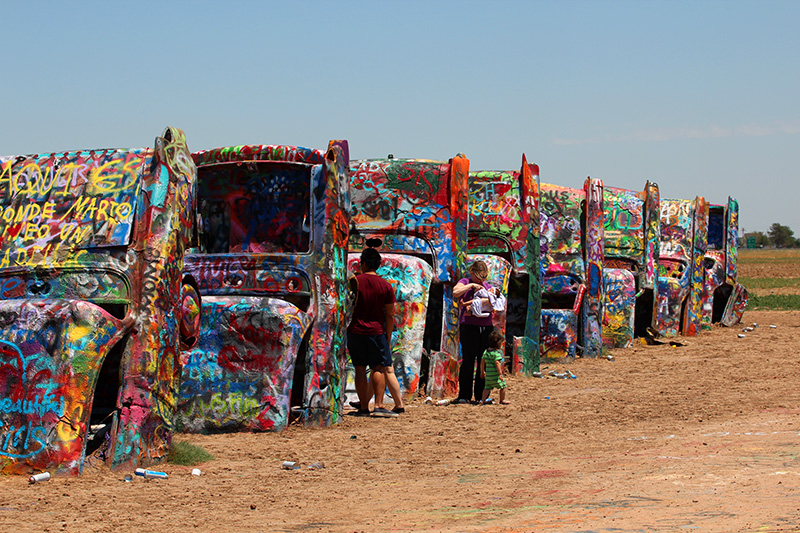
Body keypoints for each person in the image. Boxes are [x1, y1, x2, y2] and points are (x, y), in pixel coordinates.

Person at [347, 246, 405, 418]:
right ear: (378, 265)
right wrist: (386, 337)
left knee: (359, 369)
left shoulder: (355, 282)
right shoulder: (386, 286)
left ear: (363, 263)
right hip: (376, 331)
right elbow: (390, 314)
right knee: (378, 368)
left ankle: (363, 407)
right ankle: (379, 405)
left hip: (356, 330)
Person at [453, 260, 503, 404]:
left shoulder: (488, 287)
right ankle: (464, 395)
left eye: (484, 276)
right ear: (472, 273)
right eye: (479, 276)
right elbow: (456, 292)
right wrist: (471, 285)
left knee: (485, 360)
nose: (482, 280)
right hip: (469, 326)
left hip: (486, 327)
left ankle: (482, 395)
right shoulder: (465, 282)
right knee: (468, 360)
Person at [480, 330, 510, 405]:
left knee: (486, 388)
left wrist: (482, 371)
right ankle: (502, 400)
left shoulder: (486, 352)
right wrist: (500, 373)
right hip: (496, 376)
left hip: (489, 376)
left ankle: (483, 400)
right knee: (503, 386)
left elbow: (482, 362)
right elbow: (497, 363)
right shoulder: (496, 353)